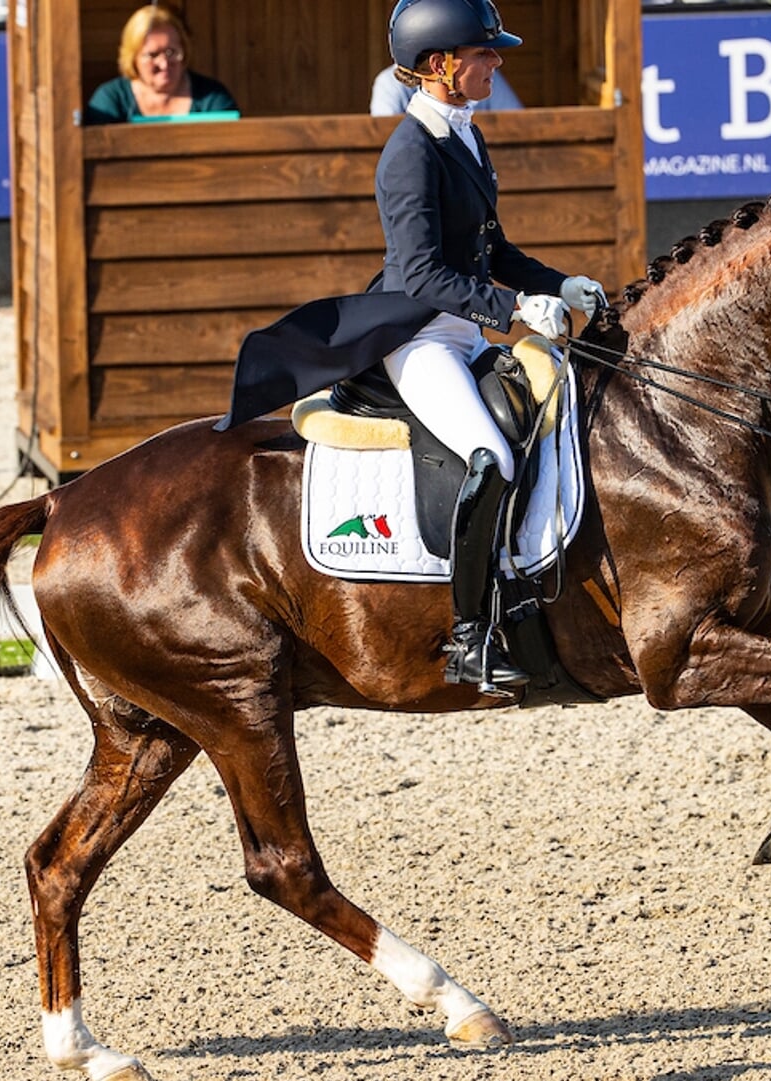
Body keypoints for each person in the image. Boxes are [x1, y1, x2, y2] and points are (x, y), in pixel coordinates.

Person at [218, 0, 607, 695]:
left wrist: (561, 283)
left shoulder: (463, 135)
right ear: (440, 65)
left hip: (460, 328)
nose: (496, 62)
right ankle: (470, 637)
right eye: (484, 54)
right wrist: (515, 308)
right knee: (486, 455)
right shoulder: (409, 151)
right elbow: (424, 272)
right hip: (417, 336)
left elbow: (493, 249)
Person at [83, 5, 238, 125]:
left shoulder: (212, 97)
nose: (164, 64)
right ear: (133, 58)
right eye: (152, 55)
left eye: (171, 52)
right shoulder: (111, 99)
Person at [369, 61, 520, 116]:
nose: (495, 60)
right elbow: (385, 136)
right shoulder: (388, 83)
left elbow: (516, 123)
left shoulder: (485, 74)